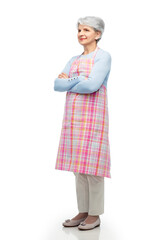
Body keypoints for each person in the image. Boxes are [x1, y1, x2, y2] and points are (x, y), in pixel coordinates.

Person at [53, 16, 112, 230]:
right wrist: (79, 80)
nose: (81, 33)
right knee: (78, 168)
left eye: (86, 29)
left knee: (93, 167)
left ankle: (94, 214)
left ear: (98, 34)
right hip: (74, 118)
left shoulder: (103, 57)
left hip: (93, 118)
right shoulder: (73, 59)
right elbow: (57, 85)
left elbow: (93, 86)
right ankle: (83, 211)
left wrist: (70, 81)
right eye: (79, 30)